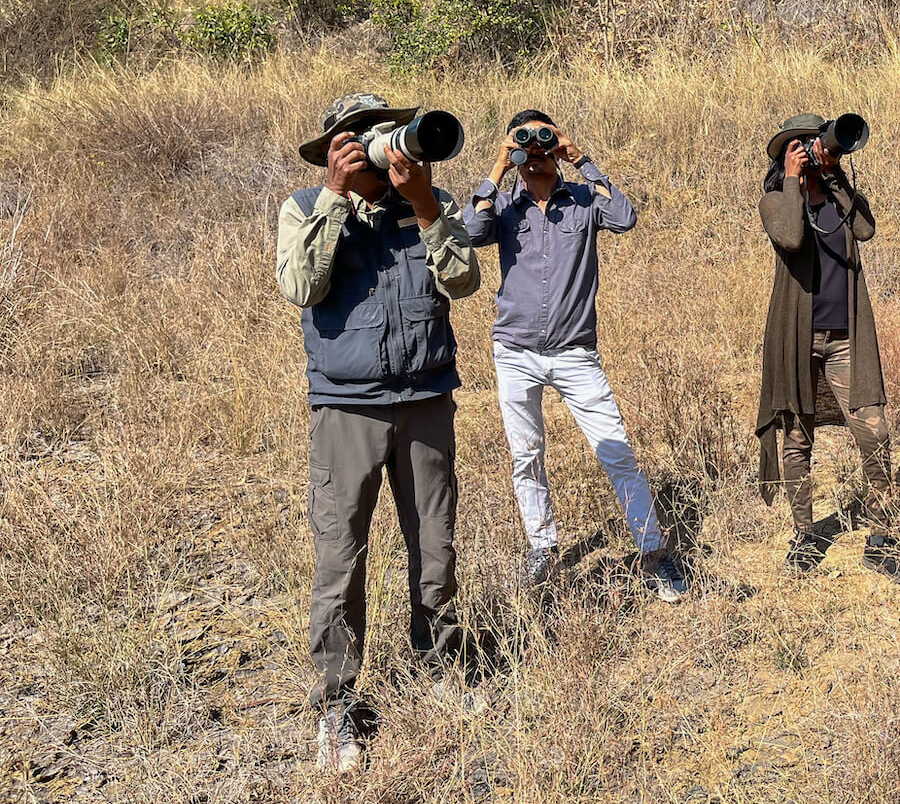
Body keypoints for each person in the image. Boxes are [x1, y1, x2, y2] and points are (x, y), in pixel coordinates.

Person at [275, 93, 482, 774]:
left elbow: (463, 279)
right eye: (357, 136)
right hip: (347, 407)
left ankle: (441, 664)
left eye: (380, 131)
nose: (375, 143)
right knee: (341, 556)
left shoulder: (428, 200)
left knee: (436, 543)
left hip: (426, 397)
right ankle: (336, 705)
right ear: (335, 148)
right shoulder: (305, 207)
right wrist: (336, 196)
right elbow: (302, 285)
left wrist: (423, 204)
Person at [463, 109, 689, 603]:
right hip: (515, 351)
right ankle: (541, 550)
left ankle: (653, 554)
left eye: (544, 142)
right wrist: (499, 165)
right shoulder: (502, 205)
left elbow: (624, 217)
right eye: (526, 144)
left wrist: (581, 159)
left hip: (574, 352)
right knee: (527, 457)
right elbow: (470, 231)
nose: (535, 151)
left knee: (615, 451)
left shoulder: (584, 199)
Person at [755, 114, 900, 585]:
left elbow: (865, 229)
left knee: (875, 431)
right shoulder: (774, 201)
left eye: (817, 142)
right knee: (797, 438)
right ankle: (805, 535)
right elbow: (790, 236)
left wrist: (834, 176)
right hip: (797, 337)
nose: (817, 149)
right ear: (788, 150)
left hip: (846, 334)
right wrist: (792, 179)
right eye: (804, 145)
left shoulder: (839, 196)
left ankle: (883, 539)